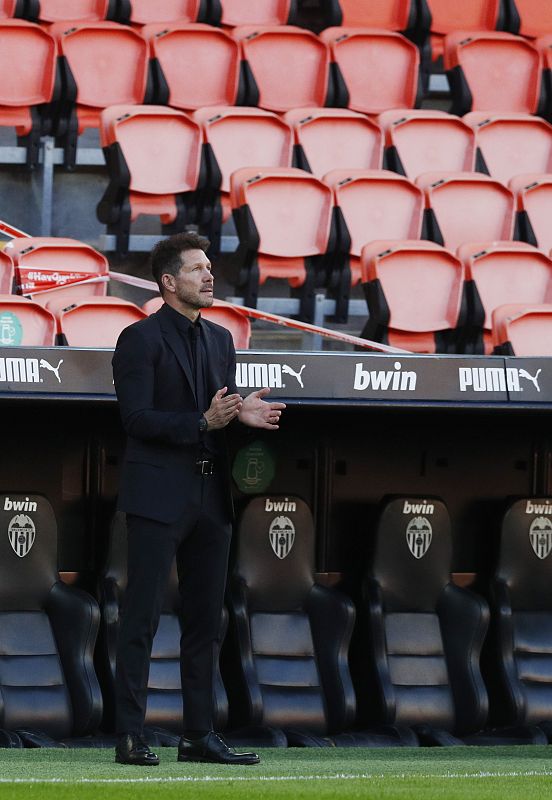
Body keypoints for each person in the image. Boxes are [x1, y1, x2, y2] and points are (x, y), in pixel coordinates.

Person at [112, 232, 285, 767]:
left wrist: (242, 419)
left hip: (211, 496)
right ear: (168, 282)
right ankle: (129, 736)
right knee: (141, 617)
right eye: (197, 269)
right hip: (158, 495)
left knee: (206, 621)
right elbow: (136, 420)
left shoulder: (221, 340)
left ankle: (198, 735)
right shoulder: (137, 340)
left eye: (210, 268)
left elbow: (219, 415)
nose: (210, 276)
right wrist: (201, 421)